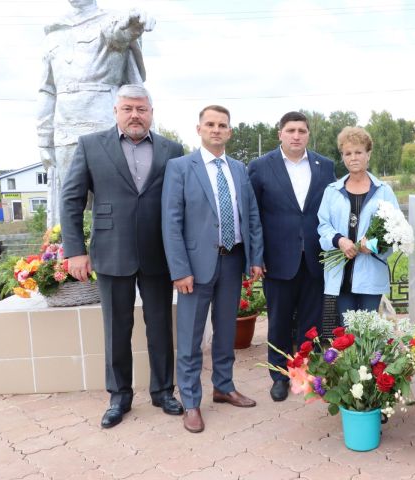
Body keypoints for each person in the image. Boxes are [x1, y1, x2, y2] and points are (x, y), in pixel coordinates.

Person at [61, 84, 184, 428]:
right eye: (128, 108)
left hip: (158, 252)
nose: (134, 115)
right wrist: (75, 251)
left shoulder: (172, 149)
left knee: (160, 326)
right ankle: (119, 396)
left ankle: (163, 392)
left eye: (141, 109)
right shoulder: (91, 146)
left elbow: (182, 202)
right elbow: (71, 199)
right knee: (117, 328)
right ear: (116, 112)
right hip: (111, 250)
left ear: (151, 113)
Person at [162, 105, 264, 433]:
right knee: (191, 338)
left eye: (222, 125)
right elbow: (171, 222)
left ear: (230, 131)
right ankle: (191, 402)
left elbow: (250, 217)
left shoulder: (238, 169)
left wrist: (255, 258)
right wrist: (179, 270)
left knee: (225, 332)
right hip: (194, 266)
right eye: (210, 124)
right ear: (199, 129)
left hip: (232, 260)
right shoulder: (179, 168)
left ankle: (224, 386)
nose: (216, 129)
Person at [37, 0, 154, 226]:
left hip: (105, 125)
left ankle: (119, 255)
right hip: (65, 131)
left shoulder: (108, 21)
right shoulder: (53, 33)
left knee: (115, 198)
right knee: (70, 200)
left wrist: (135, 22)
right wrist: (44, 139)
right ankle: (64, 255)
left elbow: (120, 32)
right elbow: (47, 89)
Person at [248, 112, 336, 402]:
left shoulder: (325, 167)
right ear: (280, 134)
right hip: (278, 259)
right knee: (279, 322)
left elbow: (334, 209)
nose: (296, 135)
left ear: (309, 134)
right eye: (290, 130)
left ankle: (305, 373)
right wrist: (256, 257)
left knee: (311, 322)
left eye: (301, 130)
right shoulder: (261, 167)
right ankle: (279, 376)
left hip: (315, 258)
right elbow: (253, 217)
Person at [317, 127, 399, 322]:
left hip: (370, 272)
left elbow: (395, 230)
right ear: (343, 157)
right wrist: (340, 241)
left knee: (369, 330)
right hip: (341, 273)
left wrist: (371, 245)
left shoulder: (383, 191)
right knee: (348, 332)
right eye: (348, 153)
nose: (353, 158)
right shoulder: (332, 191)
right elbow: (323, 226)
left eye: (358, 152)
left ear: (368, 154)